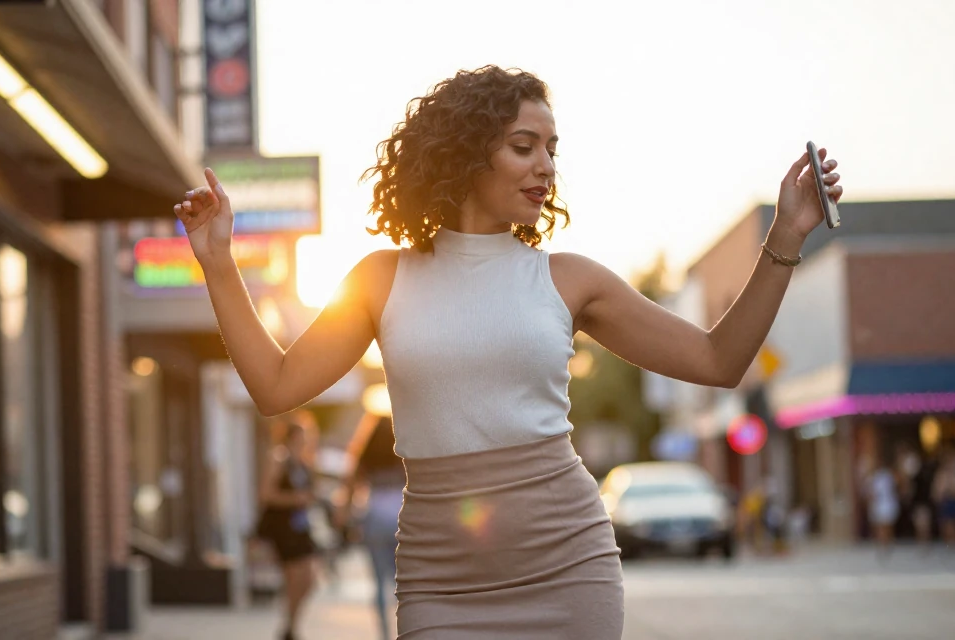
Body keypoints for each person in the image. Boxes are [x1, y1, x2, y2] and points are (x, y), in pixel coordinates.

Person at [174, 65, 844, 639]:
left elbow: (717, 361)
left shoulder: (569, 280)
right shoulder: (380, 280)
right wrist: (218, 263)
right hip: (441, 581)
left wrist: (785, 234)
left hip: (568, 567)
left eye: (552, 149)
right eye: (524, 146)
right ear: (465, 154)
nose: (545, 166)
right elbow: (275, 386)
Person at [335, 413, 406, 640]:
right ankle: (405, 630)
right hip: (401, 520)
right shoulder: (403, 453)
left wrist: (342, 520)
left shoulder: (366, 455)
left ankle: (384, 634)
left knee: (378, 583)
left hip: (374, 520)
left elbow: (349, 488)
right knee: (403, 583)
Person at [257, 417, 319, 640]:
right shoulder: (279, 459)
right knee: (294, 577)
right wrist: (295, 499)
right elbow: (266, 495)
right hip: (283, 527)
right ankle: (290, 628)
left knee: (309, 578)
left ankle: (290, 625)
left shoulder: (304, 463)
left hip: (301, 526)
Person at [864, 462, 900, 559]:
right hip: (877, 506)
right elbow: (868, 493)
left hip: (886, 504)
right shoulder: (871, 478)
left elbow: (897, 485)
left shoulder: (887, 475)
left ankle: (886, 544)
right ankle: (882, 545)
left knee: (886, 526)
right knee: (879, 527)